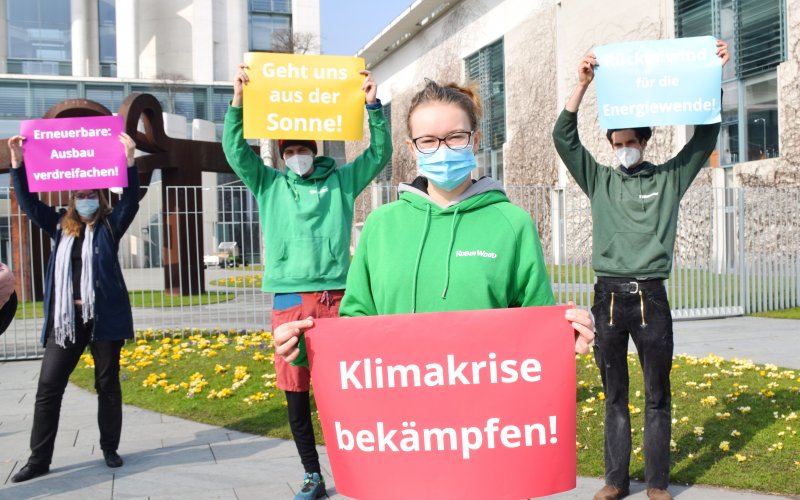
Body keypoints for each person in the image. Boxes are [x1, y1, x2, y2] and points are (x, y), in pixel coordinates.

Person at [274, 80, 595, 394]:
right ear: (412, 149)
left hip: (488, 422)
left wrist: (565, 338)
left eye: (455, 137)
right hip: (401, 421)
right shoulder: (380, 226)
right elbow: (355, 329)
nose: (442, 149)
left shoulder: (512, 224)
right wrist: (306, 346)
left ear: (475, 139)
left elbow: (534, 326)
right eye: (428, 140)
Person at [551, 41, 729, 500]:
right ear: (611, 146)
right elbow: (563, 139)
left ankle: (655, 484)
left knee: (656, 394)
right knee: (613, 394)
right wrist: (582, 85)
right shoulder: (601, 180)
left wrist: (715, 78)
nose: (625, 149)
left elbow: (705, 138)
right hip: (608, 297)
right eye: (618, 144)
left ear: (644, 142)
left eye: (632, 142)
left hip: (650, 296)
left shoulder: (669, 179)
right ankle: (614, 481)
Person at [222, 64, 392, 500]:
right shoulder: (269, 184)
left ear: (315, 149)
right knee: (295, 392)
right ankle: (313, 476)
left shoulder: (340, 181)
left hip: (337, 297)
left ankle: (364, 467)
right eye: (289, 148)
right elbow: (235, 150)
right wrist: (239, 101)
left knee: (346, 390)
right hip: (290, 298)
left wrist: (373, 106)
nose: (297, 153)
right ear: (281, 154)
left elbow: (378, 155)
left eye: (303, 147)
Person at [7, 132, 140, 482]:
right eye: (79, 195)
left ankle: (110, 449)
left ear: (100, 197)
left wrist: (129, 159)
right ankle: (39, 459)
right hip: (65, 322)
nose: (85, 200)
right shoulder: (58, 228)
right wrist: (18, 164)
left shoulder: (112, 225)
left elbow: (131, 200)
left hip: (104, 320)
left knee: (107, 385)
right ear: (71, 199)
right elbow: (28, 201)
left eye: (91, 195)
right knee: (48, 388)